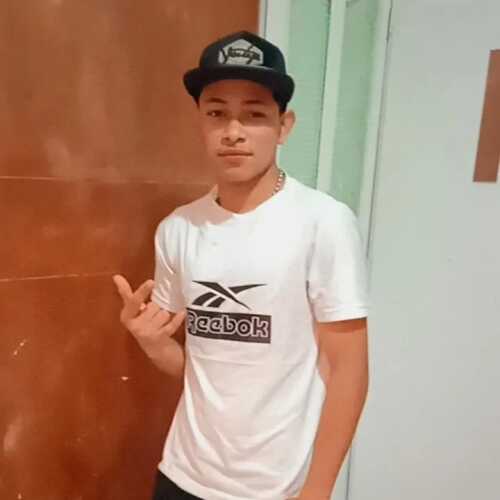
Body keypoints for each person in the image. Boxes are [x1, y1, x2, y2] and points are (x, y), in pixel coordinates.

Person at [113, 30, 370, 500]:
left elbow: (348, 370)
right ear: (200, 122)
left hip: (275, 487)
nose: (233, 131)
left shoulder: (323, 223)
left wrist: (318, 490)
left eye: (254, 114)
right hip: (181, 476)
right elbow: (196, 369)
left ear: (284, 126)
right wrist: (151, 342)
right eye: (217, 113)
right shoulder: (178, 228)